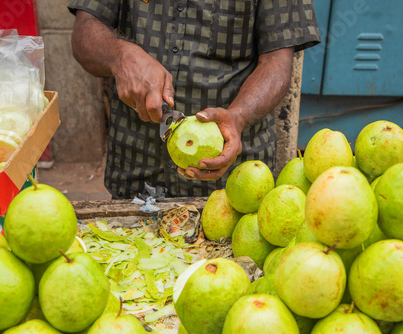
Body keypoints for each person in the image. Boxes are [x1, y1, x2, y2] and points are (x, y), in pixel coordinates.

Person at [68, 0, 320, 199]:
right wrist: (120, 55)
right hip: (136, 170)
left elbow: (277, 62)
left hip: (234, 185)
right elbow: (85, 31)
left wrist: (238, 116)